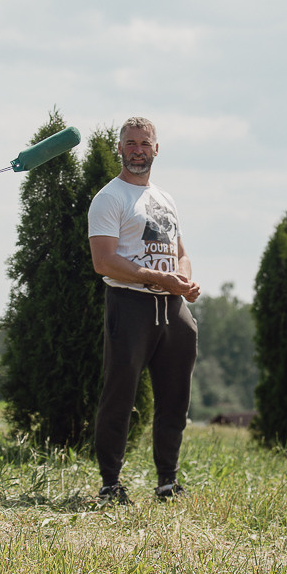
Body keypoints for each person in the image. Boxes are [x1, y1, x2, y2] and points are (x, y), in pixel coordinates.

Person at [88, 117, 200, 505]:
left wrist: (182, 281)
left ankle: (168, 481)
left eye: (144, 143)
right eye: (130, 143)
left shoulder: (165, 198)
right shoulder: (109, 198)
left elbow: (181, 253)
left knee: (175, 398)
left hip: (174, 308)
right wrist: (160, 279)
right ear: (119, 149)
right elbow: (103, 261)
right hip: (131, 305)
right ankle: (110, 484)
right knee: (120, 394)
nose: (137, 150)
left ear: (156, 148)